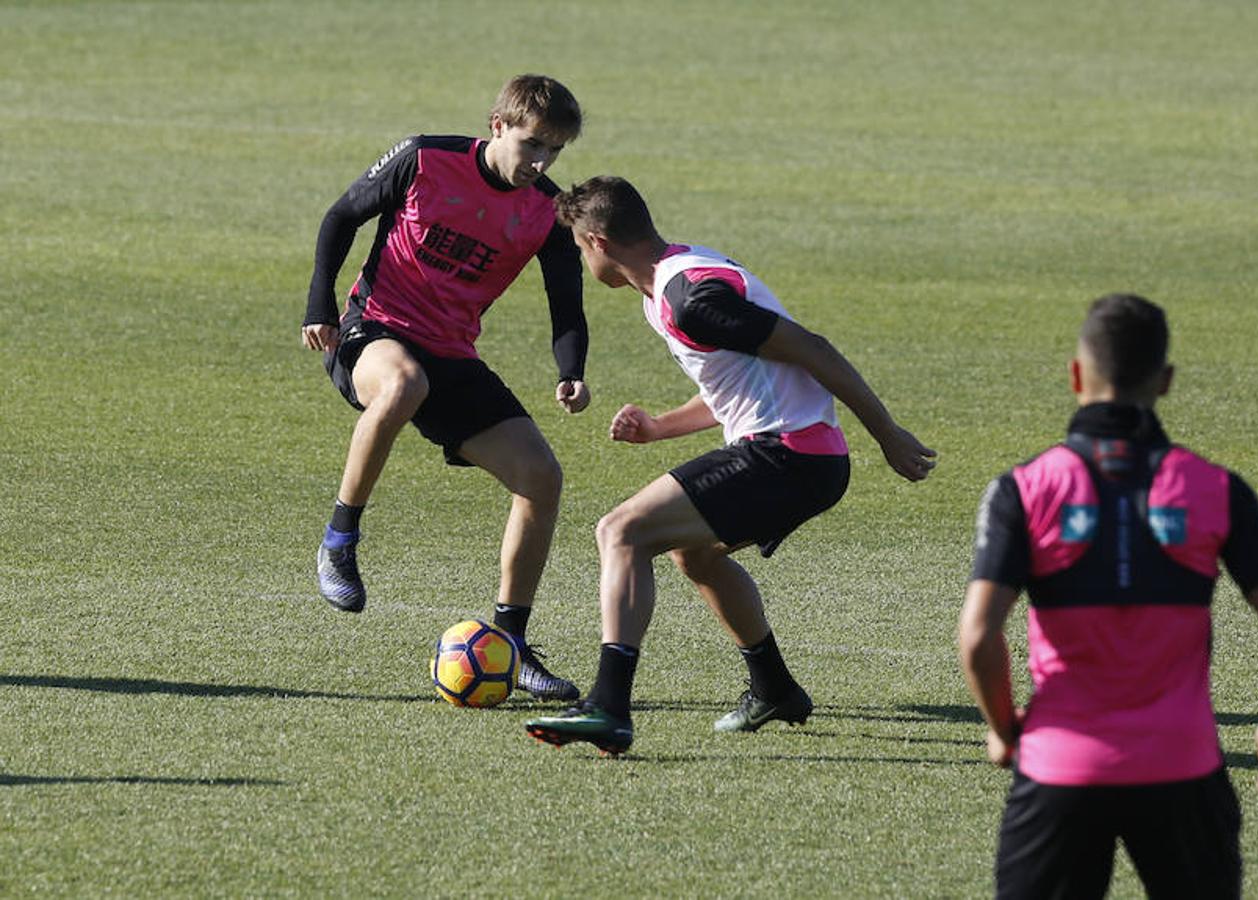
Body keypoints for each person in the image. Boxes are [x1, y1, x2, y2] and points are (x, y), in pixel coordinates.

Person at [523, 176, 936, 754]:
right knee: (693, 554)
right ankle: (776, 689)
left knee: (620, 531)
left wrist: (888, 435)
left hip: (789, 456)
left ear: (596, 242)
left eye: (576, 245)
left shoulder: (690, 298)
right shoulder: (670, 281)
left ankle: (608, 707)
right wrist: (662, 426)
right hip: (790, 451)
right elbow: (745, 383)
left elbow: (812, 349)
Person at [958, 293, 1258, 898]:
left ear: (1075, 375)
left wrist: (1003, 728)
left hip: (1058, 772)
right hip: (1185, 770)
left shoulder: (1022, 490)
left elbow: (978, 634)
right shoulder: (1218, 489)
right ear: (1166, 381)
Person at [300, 74, 590, 700]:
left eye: (554, 152)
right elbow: (341, 217)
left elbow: (567, 304)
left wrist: (572, 371)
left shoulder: (547, 210)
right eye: (533, 144)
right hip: (374, 329)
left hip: (452, 352)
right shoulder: (425, 159)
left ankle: (510, 644)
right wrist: (318, 302)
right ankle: (339, 542)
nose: (540, 163)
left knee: (541, 477)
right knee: (402, 384)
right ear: (498, 125)